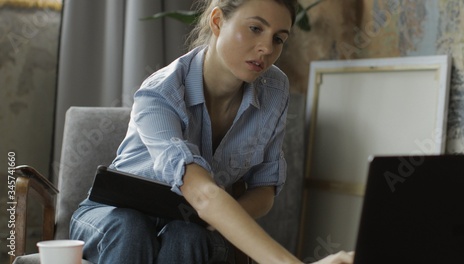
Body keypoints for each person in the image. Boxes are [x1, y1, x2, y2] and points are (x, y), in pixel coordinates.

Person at [70, 0, 354, 263]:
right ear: (217, 21)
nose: (267, 48)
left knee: (188, 237)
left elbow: (265, 188)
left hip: (185, 221)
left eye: (278, 38)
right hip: (111, 216)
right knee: (131, 228)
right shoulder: (160, 93)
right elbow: (202, 193)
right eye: (255, 28)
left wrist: (218, 220)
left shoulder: (274, 91)